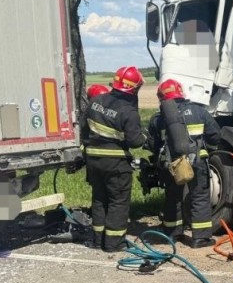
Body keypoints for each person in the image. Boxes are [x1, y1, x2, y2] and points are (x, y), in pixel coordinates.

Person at [147, 78, 220, 248]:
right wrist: (207, 148)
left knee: (173, 197)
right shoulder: (198, 111)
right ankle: (200, 238)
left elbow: (152, 144)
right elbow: (215, 133)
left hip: (171, 164)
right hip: (197, 161)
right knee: (199, 196)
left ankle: (172, 234)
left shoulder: (158, 119)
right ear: (181, 93)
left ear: (161, 99)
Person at [80, 66, 145, 252]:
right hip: (116, 164)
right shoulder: (128, 112)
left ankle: (97, 240)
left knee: (99, 199)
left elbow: (84, 128)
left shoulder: (96, 101)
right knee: (118, 202)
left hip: (93, 161)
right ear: (134, 89)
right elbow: (135, 142)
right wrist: (144, 137)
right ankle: (113, 243)